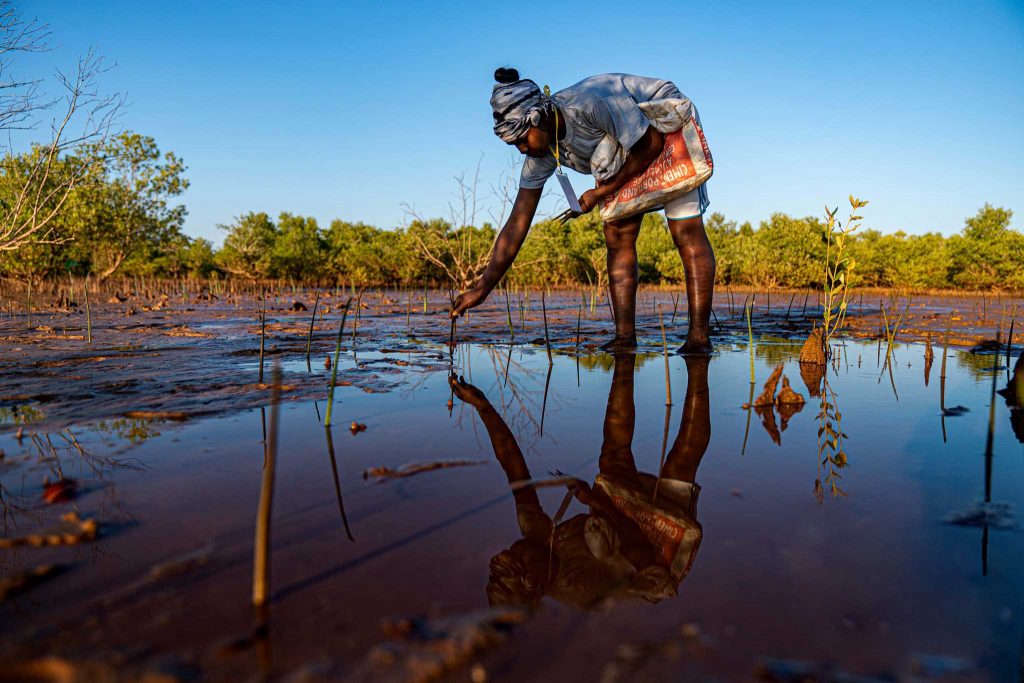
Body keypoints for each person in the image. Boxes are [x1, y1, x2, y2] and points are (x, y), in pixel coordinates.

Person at [451, 68, 716, 354]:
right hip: (624, 147)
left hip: (662, 126)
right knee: (617, 236)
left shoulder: (592, 103)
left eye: (522, 139)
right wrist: (482, 289)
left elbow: (649, 143)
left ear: (537, 119)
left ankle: (698, 338)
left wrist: (599, 193)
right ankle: (625, 338)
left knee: (685, 229)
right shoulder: (542, 154)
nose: (521, 149)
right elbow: (517, 223)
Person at [448, 352, 712, 608]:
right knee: (682, 461)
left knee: (613, 457)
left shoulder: (538, 545)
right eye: (519, 555)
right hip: (653, 548)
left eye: (511, 548)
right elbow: (640, 551)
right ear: (536, 582)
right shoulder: (584, 586)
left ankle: (624, 356)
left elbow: (514, 469)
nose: (519, 545)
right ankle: (699, 366)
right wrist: (597, 501)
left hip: (619, 520)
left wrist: (483, 407)